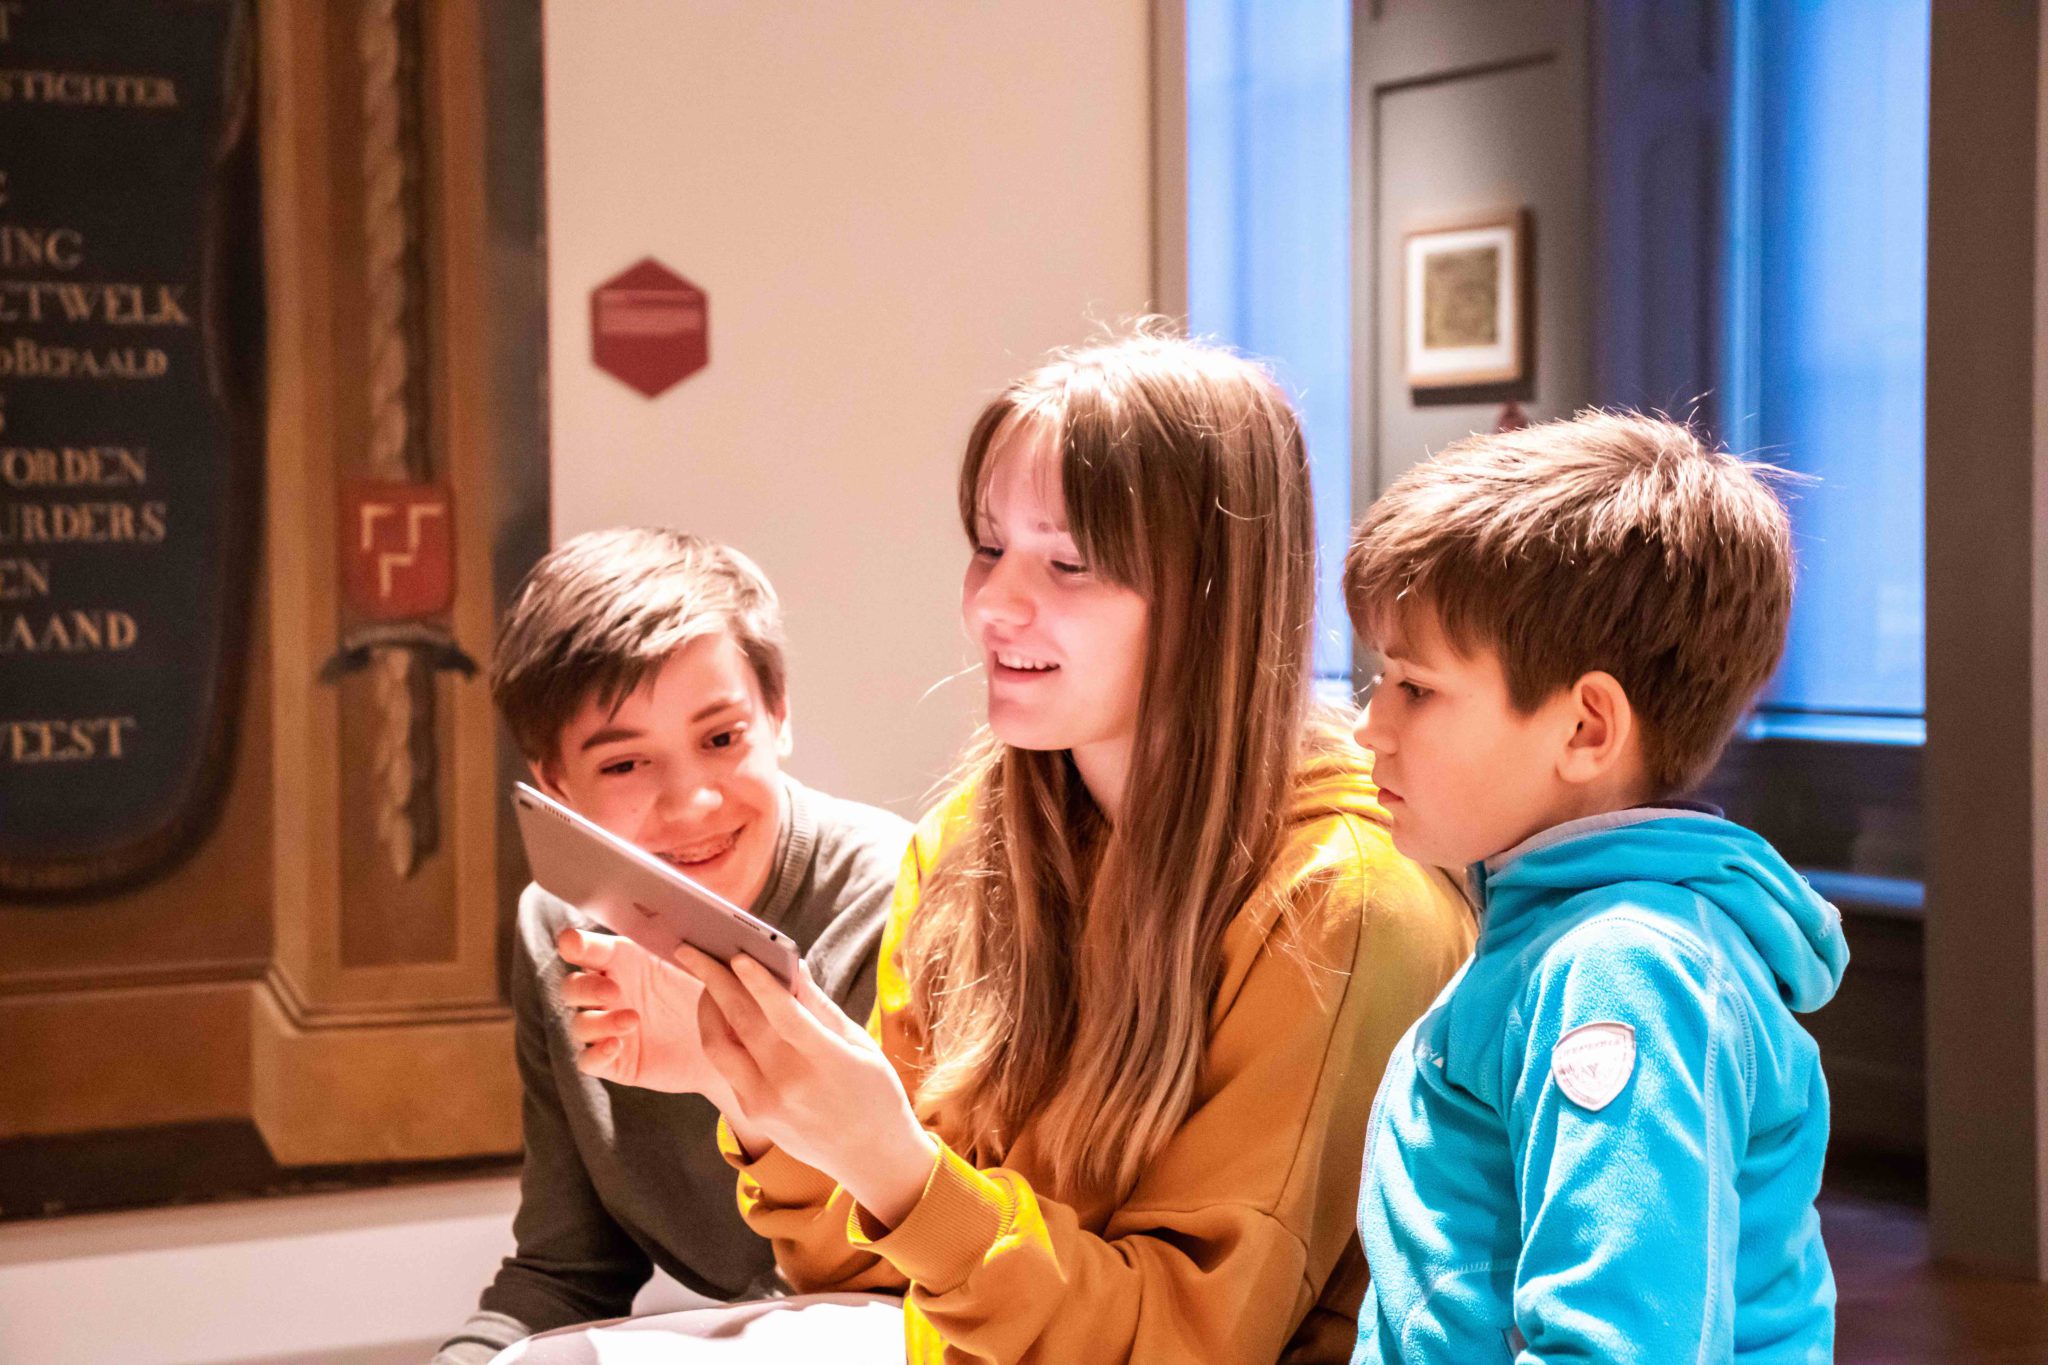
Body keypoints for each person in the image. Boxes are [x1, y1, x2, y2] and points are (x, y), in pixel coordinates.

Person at [522, 329, 1475, 1364]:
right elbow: (862, 1283)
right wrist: (752, 1094)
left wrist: (894, 1164)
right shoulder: (967, 847)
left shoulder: (1348, 904)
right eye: (987, 548)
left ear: (1212, 596)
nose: (990, 605)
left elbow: (1190, 1342)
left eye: (1066, 563)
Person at [1343, 412, 1849, 1363]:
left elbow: (1620, 1342)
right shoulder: (1558, 937)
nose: (1371, 727)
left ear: (1584, 729)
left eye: (1415, 687)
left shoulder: (1624, 970)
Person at [431, 528, 911, 1365]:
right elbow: (566, 1268)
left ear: (778, 715)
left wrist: (726, 1074)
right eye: (625, 764)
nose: (690, 803)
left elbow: (914, 1271)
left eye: (722, 739)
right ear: (553, 782)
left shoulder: (903, 898)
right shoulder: (559, 927)